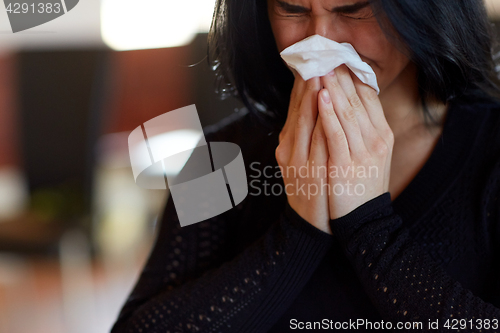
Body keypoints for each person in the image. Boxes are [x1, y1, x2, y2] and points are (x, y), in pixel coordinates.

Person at [111, 0, 500, 331]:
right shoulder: (218, 158)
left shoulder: (490, 154)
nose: (321, 41)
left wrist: (368, 226)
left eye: (354, 9)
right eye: (292, 9)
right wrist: (299, 232)